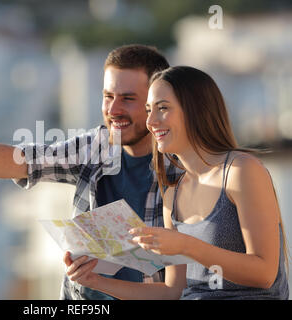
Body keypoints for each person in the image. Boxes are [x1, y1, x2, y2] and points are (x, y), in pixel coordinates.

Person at [0, 44, 181, 300]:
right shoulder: (95, 147)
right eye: (108, 96)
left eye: (127, 99)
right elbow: (23, 161)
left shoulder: (184, 170)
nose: (113, 110)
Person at [65, 66, 289, 299]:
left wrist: (185, 245)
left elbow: (264, 273)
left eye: (162, 108)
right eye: (149, 110)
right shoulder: (172, 194)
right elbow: (172, 292)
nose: (150, 121)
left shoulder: (241, 171)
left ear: (196, 110)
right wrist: (94, 281)